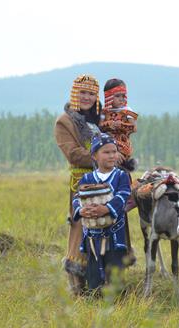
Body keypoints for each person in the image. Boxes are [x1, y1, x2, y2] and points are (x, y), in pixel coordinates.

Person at [54, 74, 102, 295]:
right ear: (75, 93)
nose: (86, 97)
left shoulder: (100, 121)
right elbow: (73, 154)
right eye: (82, 92)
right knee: (80, 230)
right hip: (82, 185)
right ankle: (77, 286)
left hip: (107, 182)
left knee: (107, 228)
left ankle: (104, 282)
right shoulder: (65, 121)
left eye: (91, 93)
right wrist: (103, 157)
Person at [72, 133, 132, 293]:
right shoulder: (86, 178)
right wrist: (82, 210)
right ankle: (94, 299)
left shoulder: (121, 176)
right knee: (93, 274)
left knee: (115, 272)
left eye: (114, 151)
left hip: (114, 236)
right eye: (106, 152)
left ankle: (118, 305)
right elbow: (77, 198)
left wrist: (105, 209)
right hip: (92, 237)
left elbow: (123, 195)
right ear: (94, 156)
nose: (112, 155)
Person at [99, 78, 138, 172]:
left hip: (123, 145)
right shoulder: (104, 112)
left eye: (123, 96)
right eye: (117, 96)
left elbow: (134, 128)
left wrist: (121, 125)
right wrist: (109, 124)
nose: (121, 99)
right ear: (108, 96)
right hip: (107, 145)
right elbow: (99, 128)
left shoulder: (127, 110)